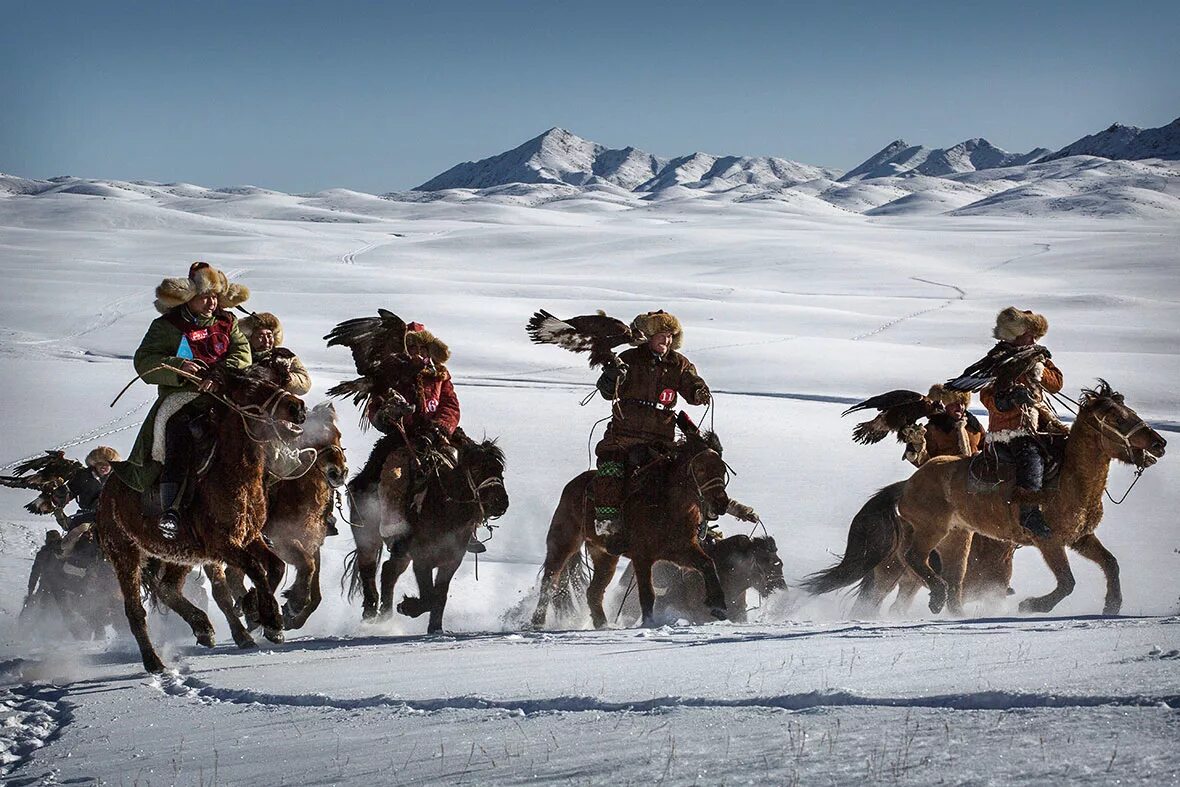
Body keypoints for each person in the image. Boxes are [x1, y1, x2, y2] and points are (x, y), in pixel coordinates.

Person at [127, 262, 252, 539]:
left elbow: (243, 353)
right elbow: (144, 361)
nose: (212, 302)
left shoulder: (227, 322)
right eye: (206, 296)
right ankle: (171, 511)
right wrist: (178, 366)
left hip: (224, 397)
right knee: (178, 441)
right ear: (189, 297)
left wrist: (220, 375)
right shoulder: (166, 326)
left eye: (215, 296)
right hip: (183, 400)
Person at [350, 322, 476, 549]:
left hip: (438, 434)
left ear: (429, 350)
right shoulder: (390, 373)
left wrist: (441, 426)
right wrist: (387, 415)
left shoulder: (440, 375)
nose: (416, 352)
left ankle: (469, 524)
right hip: (402, 436)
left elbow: (450, 405)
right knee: (392, 474)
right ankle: (393, 527)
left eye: (421, 347)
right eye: (411, 347)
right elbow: (376, 407)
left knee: (472, 465)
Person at [592, 310, 711, 535]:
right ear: (648, 335)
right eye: (660, 334)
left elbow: (691, 386)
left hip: (661, 439)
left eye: (669, 335)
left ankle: (695, 525)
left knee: (689, 476)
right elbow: (607, 392)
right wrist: (610, 378)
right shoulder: (628, 358)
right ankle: (607, 526)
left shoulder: (680, 364)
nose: (666, 340)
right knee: (611, 469)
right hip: (624, 435)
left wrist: (698, 390)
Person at [978, 307, 1063, 538]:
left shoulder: (1039, 356)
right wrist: (1010, 399)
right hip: (1009, 429)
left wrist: (1039, 368)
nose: (1034, 340)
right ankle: (1028, 512)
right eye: (1029, 335)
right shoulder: (996, 360)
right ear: (1015, 335)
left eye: (1036, 336)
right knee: (1031, 455)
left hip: (1040, 421)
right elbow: (986, 396)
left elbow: (1056, 384)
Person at [56, 446, 120, 555]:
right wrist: (58, 500)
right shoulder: (82, 476)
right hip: (87, 516)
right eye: (100, 464)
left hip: (114, 517)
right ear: (94, 464)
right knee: (76, 536)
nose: (104, 467)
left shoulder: (118, 479)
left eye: (108, 464)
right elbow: (68, 493)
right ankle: (67, 561)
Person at [900, 385, 984, 467]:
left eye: (962, 403)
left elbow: (987, 446)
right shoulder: (932, 430)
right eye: (954, 403)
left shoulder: (973, 425)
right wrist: (916, 448)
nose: (960, 407)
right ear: (944, 406)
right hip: (946, 479)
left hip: (974, 478)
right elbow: (926, 464)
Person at [238, 312, 312, 395]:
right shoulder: (241, 355)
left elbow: (305, 383)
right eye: (260, 336)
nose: (266, 341)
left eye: (269, 336)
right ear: (249, 338)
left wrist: (286, 378)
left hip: (280, 403)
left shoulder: (285, 355)